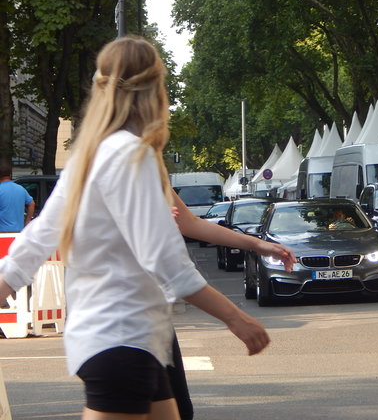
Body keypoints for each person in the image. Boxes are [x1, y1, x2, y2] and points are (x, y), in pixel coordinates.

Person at [0, 36, 294, 420]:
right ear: (154, 89)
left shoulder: (93, 154)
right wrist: (236, 318)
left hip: (125, 338)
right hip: (123, 338)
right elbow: (166, 261)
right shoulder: (131, 156)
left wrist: (4, 282)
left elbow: (40, 235)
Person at [167, 191, 295, 420]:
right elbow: (178, 273)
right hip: (121, 325)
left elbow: (190, 223)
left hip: (149, 324)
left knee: (177, 411)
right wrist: (235, 318)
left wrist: (256, 244)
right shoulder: (130, 165)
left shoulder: (148, 168)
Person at [0, 165, 35, 232]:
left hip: (2, 232)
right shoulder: (21, 189)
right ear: (10, 175)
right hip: (18, 232)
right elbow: (32, 204)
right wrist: (27, 222)